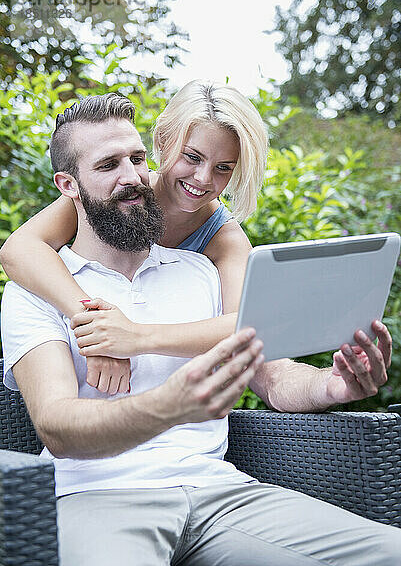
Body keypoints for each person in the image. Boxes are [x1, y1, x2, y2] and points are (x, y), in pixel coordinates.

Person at [1, 94, 400, 566]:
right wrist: (88, 318)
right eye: (109, 164)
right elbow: (57, 426)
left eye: (134, 160)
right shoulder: (40, 286)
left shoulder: (208, 263)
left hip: (220, 493)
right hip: (98, 495)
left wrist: (331, 385)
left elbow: (264, 364)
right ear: (69, 184)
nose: (130, 175)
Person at [0, 80, 267, 395]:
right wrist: (95, 326)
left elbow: (245, 325)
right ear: (163, 141)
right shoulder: (121, 192)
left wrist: (136, 337)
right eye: (192, 157)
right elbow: (19, 249)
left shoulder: (223, 236)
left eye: (224, 168)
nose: (203, 178)